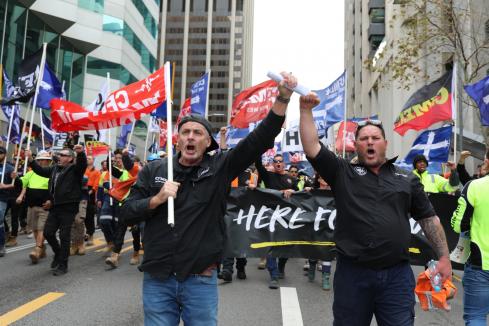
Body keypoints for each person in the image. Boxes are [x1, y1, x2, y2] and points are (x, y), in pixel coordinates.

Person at [121, 72, 296, 326]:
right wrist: (156, 199)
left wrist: (282, 98)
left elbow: (259, 140)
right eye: (185, 132)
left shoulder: (220, 167)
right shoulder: (154, 170)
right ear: (178, 140)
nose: (190, 137)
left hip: (200, 280)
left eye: (197, 133)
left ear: (208, 142)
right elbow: (126, 213)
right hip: (158, 279)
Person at [298, 93, 452, 326]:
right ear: (356, 145)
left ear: (385, 143)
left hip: (396, 277)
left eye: (375, 137)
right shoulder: (342, 173)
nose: (370, 142)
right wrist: (306, 111)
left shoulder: (406, 178)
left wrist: (444, 258)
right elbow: (312, 147)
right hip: (352, 276)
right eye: (364, 138)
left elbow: (429, 219)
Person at [27, 145, 87, 275]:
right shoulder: (54, 169)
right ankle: (58, 252)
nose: (60, 156)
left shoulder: (75, 170)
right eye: (59, 154)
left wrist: (81, 153)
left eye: (63, 155)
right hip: (55, 206)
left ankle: (63, 265)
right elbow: (41, 171)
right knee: (48, 233)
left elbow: (82, 164)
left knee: (64, 236)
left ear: (70, 158)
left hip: (68, 207)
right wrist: (31, 159)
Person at [451, 148, 489, 325]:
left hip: (480, 264)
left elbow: (458, 225)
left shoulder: (475, 186)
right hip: (479, 264)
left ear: (487, 162)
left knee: (476, 317)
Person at [255, 153, 299, 289]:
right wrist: (259, 147)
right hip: (271, 215)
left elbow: (302, 194)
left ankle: (281, 266)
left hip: (287, 217)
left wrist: (293, 190)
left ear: (284, 164)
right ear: (273, 164)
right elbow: (258, 165)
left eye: (280, 161)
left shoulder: (291, 179)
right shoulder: (268, 176)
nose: (278, 163)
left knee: (287, 245)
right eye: (276, 161)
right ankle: (273, 275)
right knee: (271, 245)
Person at [16, 151, 52, 263]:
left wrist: (51, 201)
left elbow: (56, 189)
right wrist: (15, 178)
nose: (41, 161)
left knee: (41, 228)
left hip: (45, 207)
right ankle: (41, 248)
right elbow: (22, 184)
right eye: (39, 160)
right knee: (35, 229)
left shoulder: (52, 173)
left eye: (44, 159)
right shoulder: (30, 173)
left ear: (49, 161)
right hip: (31, 206)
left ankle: (37, 249)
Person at [84, 155, 100, 246]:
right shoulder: (82, 170)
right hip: (82, 192)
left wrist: (91, 191)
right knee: (82, 216)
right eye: (86, 158)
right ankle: (85, 233)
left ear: (93, 160)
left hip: (91, 194)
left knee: (89, 217)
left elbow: (96, 184)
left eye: (89, 158)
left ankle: (91, 236)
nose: (87, 159)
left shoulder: (97, 172)